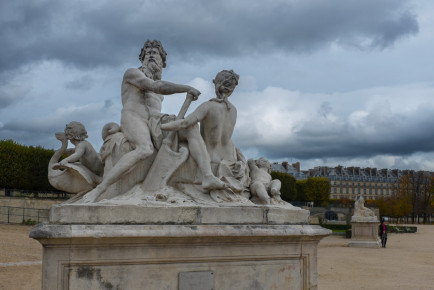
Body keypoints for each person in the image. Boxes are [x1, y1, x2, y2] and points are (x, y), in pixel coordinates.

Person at [81, 40, 225, 203]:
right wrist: (185, 88)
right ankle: (99, 190)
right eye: (147, 53)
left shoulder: (160, 90)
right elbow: (155, 85)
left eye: (154, 53)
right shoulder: (133, 73)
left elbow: (159, 88)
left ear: (162, 62)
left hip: (156, 120)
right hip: (134, 117)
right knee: (145, 149)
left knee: (190, 126)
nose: (150, 55)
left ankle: (207, 176)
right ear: (141, 58)